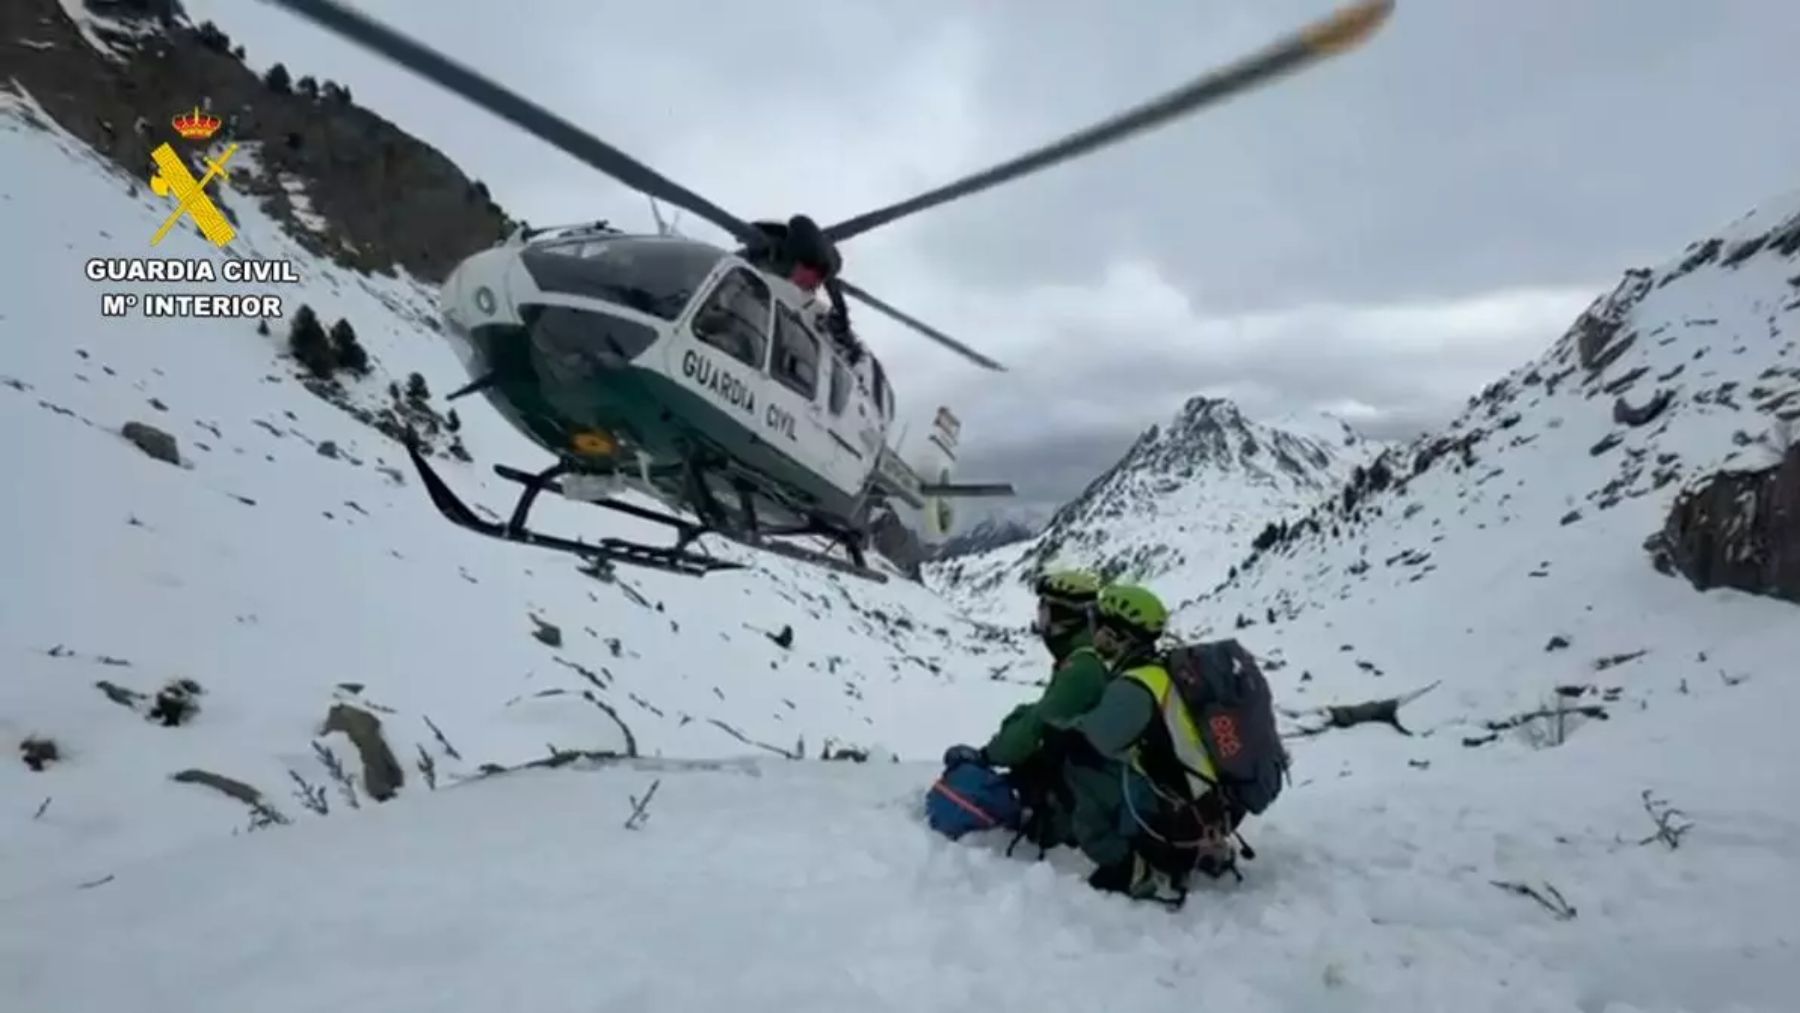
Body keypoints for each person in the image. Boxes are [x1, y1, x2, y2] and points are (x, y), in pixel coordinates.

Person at [1041, 584, 1239, 904]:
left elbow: (1095, 738)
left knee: (1078, 767)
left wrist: (1056, 729)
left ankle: (1128, 864)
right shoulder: (1161, 673)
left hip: (1173, 816)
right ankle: (1202, 849)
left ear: (1117, 635)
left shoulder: (1134, 687)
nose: (1095, 634)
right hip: (1205, 806)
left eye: (1100, 626)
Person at [940, 570, 1109, 854]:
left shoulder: (1082, 669)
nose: (1042, 624)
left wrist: (985, 756)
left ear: (1063, 617)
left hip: (1090, 794)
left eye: (1045, 613)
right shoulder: (1090, 657)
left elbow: (1037, 725)